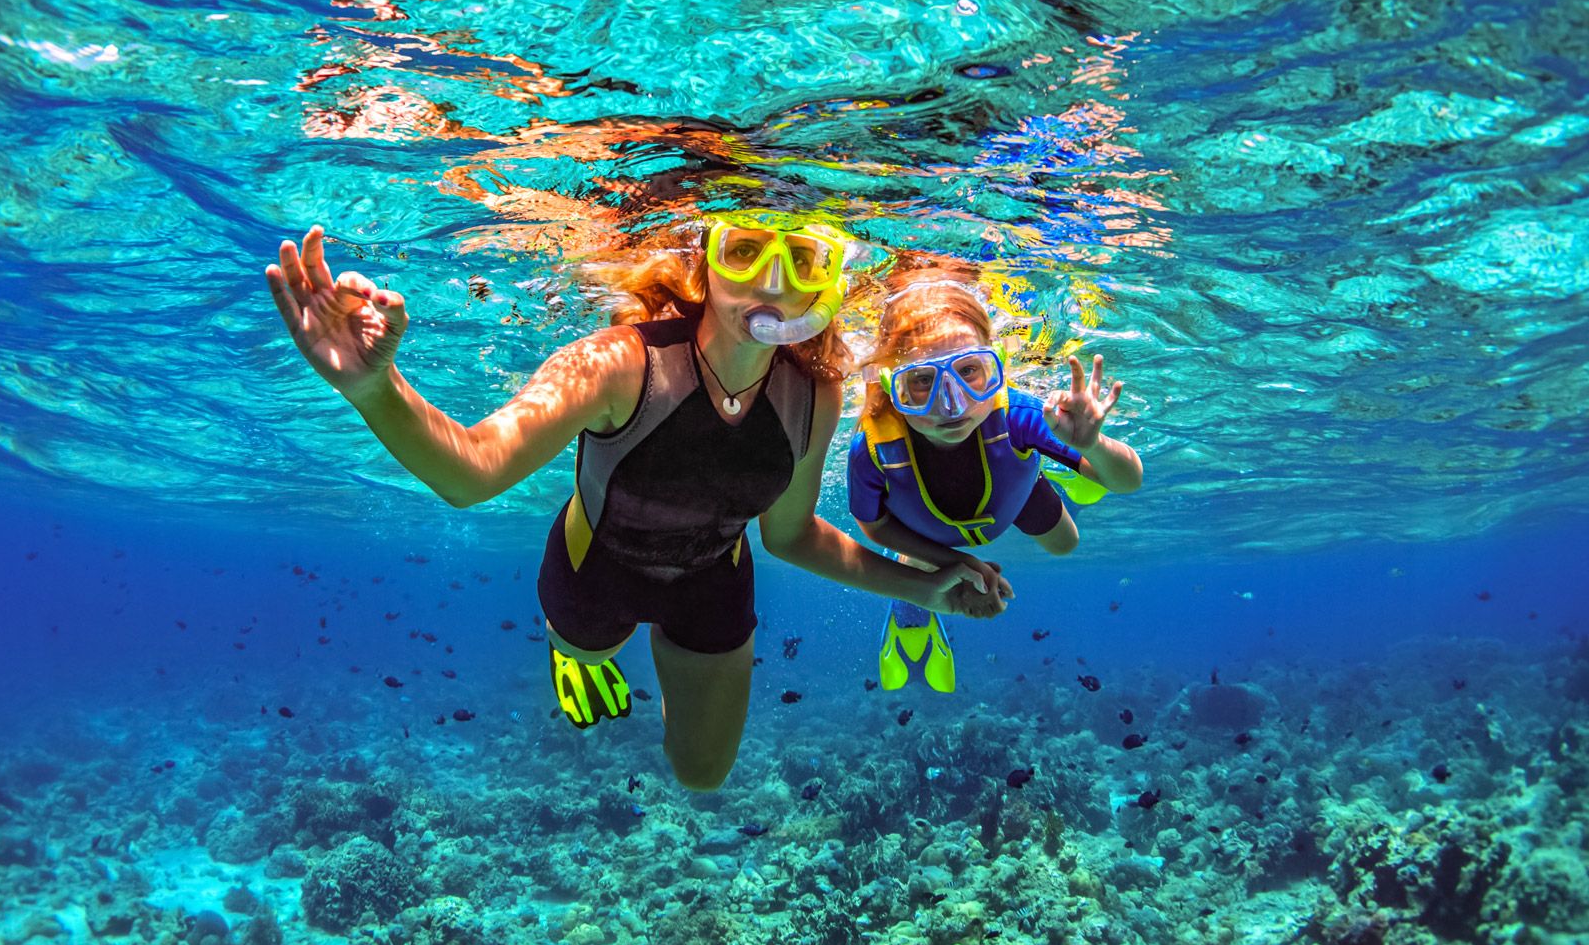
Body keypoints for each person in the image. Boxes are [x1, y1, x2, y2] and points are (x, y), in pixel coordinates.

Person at [265, 217, 1001, 790]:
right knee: (589, 651)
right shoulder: (621, 362)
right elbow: (473, 472)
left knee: (702, 774)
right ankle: (574, 652)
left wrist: (925, 586)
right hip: (596, 568)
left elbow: (790, 536)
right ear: (706, 263)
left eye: (803, 261)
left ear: (825, 285)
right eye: (745, 253)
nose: (772, 283)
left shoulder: (818, 393)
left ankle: (628, 666)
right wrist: (373, 388)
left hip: (715, 577)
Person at [848, 272, 1144, 694]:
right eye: (921, 381)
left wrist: (1094, 447)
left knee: (1067, 544)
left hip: (1014, 492)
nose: (951, 405)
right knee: (912, 562)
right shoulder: (872, 450)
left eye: (969, 372)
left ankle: (1067, 463)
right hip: (920, 529)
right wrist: (953, 563)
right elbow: (873, 527)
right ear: (887, 384)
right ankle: (910, 612)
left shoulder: (1018, 415)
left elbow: (1129, 481)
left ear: (994, 367)